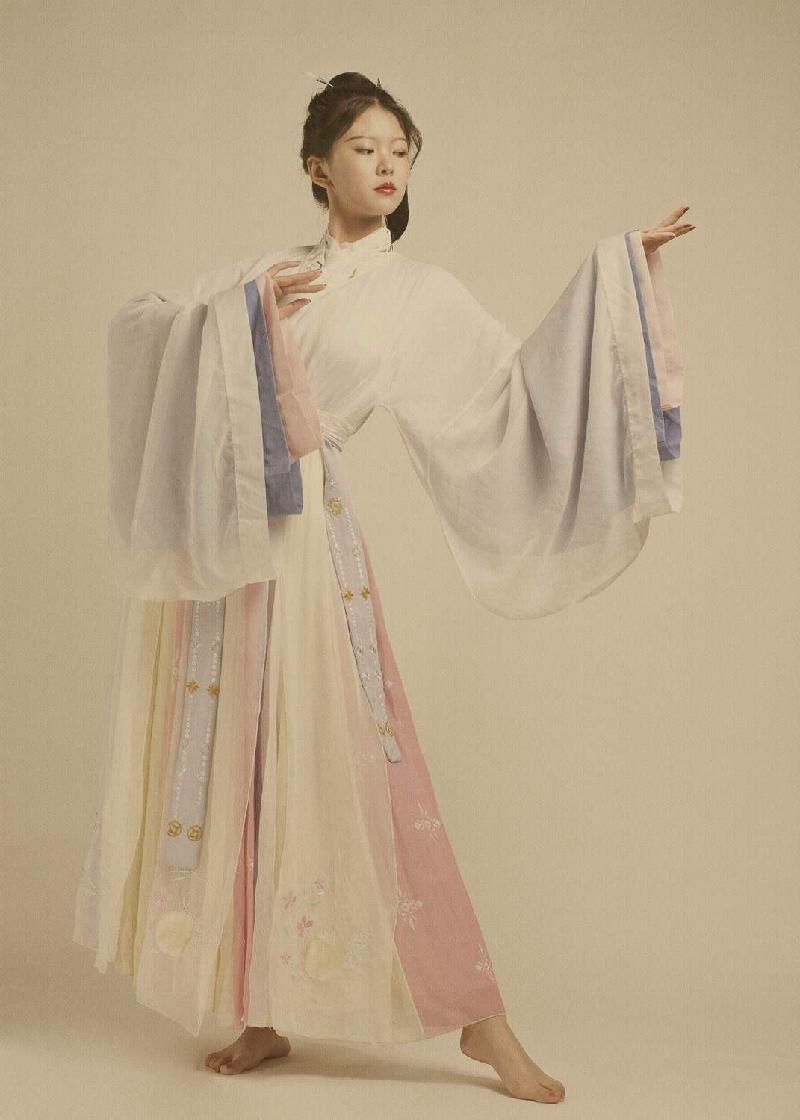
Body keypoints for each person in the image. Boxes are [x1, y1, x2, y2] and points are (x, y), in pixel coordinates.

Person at [73, 71, 693, 1104]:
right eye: (365, 146)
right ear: (318, 167)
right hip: (236, 544)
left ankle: (480, 1019)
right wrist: (240, 315)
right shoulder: (267, 273)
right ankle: (260, 1011)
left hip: (313, 539)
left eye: (399, 147)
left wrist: (619, 270)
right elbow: (142, 329)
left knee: (359, 761)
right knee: (241, 756)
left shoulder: (420, 295)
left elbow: (518, 392)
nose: (387, 162)